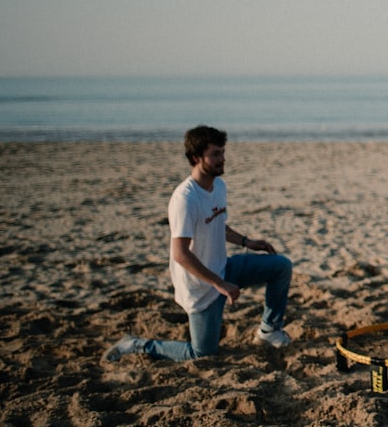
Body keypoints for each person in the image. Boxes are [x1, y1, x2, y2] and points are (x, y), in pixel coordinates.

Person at [105, 125, 294, 362]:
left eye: (223, 153)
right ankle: (136, 344)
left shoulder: (218, 186)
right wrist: (220, 284)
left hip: (223, 267)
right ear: (196, 158)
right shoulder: (185, 198)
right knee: (202, 354)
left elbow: (217, 225)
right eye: (215, 154)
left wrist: (248, 242)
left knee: (280, 266)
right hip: (200, 286)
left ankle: (269, 331)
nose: (222, 159)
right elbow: (180, 254)